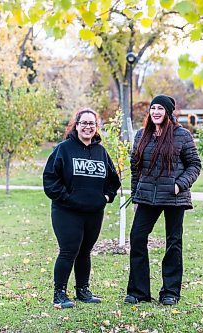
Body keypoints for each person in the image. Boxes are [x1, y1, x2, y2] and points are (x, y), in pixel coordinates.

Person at [125, 95, 201, 306]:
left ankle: (170, 292)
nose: (156, 112)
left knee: (173, 242)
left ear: (169, 112)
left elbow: (194, 164)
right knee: (137, 238)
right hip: (147, 197)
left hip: (174, 197)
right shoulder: (142, 135)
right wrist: (136, 194)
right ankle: (138, 291)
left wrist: (179, 184)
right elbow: (135, 167)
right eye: (153, 108)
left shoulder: (182, 135)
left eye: (160, 108)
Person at [43, 108, 121, 308]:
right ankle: (59, 294)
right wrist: (67, 198)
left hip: (94, 213)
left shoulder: (101, 152)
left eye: (91, 124)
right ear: (76, 125)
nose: (87, 127)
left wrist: (106, 196)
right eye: (83, 123)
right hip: (66, 212)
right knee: (69, 251)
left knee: (85, 251)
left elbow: (113, 180)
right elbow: (50, 180)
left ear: (96, 128)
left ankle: (83, 291)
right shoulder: (64, 149)